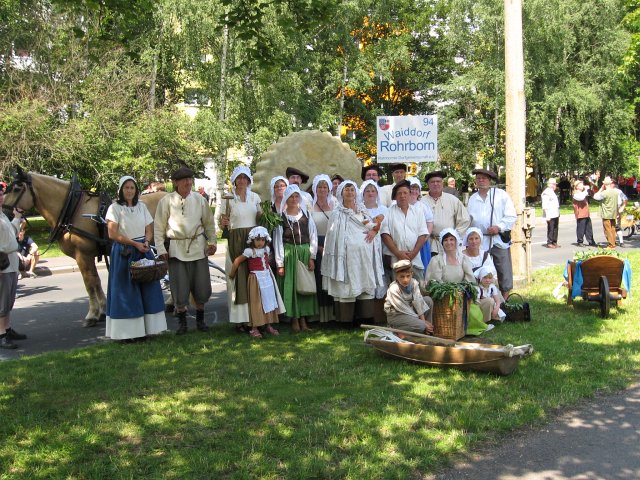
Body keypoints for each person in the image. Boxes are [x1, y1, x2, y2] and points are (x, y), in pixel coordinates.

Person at [154, 166, 217, 335]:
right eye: (184, 180)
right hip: (176, 249)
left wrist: (212, 242)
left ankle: (200, 321)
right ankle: (182, 324)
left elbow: (209, 223)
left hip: (198, 247)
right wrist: (161, 248)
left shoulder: (199, 199)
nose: (188, 182)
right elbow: (158, 227)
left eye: (190, 179)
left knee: (201, 287)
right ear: (175, 182)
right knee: (179, 289)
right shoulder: (166, 201)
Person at [105, 176, 167, 341]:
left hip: (142, 250)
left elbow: (149, 230)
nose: (130, 191)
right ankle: (127, 333)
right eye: (126, 188)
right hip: (124, 252)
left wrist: (146, 241)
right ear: (120, 190)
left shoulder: (142, 207)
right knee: (126, 292)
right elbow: (112, 233)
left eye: (132, 187)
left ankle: (145, 330)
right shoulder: (114, 208)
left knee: (148, 291)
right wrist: (134, 244)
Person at [322, 180, 384, 326]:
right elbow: (333, 238)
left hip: (364, 258)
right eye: (346, 190)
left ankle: (365, 318)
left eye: (352, 189)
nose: (350, 192)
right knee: (347, 285)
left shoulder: (362, 210)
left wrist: (375, 230)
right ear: (341, 193)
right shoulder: (337, 214)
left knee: (364, 284)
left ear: (356, 193)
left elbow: (371, 226)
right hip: (346, 258)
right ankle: (346, 321)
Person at [218, 165, 262, 333]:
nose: (242, 180)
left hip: (252, 240)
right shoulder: (228, 199)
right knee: (237, 277)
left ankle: (254, 316)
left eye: (245, 178)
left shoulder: (255, 197)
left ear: (249, 180)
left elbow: (259, 217)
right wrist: (222, 223)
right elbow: (222, 221)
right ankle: (238, 320)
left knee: (253, 278)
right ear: (235, 180)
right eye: (239, 178)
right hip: (236, 240)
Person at [273, 184, 319, 332]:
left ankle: (304, 320)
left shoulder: (306, 215)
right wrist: (280, 263)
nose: (294, 199)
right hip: (289, 255)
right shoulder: (281, 218)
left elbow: (313, 236)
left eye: (296, 196)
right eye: (291, 196)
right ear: (286, 198)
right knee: (292, 287)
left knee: (304, 286)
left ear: (300, 198)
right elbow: (278, 241)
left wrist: (312, 257)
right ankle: (294, 319)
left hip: (304, 253)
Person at [467, 168, 517, 297]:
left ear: (489, 180)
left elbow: (511, 216)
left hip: (498, 239)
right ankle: (484, 297)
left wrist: (499, 227)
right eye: (478, 178)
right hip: (481, 241)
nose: (481, 180)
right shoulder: (473, 199)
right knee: (482, 269)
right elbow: (469, 220)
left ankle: (505, 300)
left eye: (484, 178)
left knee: (503, 270)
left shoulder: (501, 195)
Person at [229, 226, 284, 338]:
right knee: (256, 303)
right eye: (258, 240)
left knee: (268, 301)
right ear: (252, 240)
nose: (260, 242)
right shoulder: (249, 251)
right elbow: (237, 261)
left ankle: (268, 324)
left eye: (263, 240)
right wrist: (232, 273)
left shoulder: (266, 250)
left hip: (267, 277)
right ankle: (254, 328)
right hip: (255, 279)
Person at [380, 180, 429, 281]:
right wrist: (398, 253)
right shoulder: (388, 212)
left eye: (405, 193)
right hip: (397, 258)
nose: (402, 196)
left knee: (417, 287)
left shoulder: (418, 211)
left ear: (410, 194)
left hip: (415, 257)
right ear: (395, 196)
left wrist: (413, 253)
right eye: (399, 193)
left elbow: (422, 234)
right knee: (398, 288)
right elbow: (385, 235)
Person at [0, 185, 26, 349]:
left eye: (1, 194)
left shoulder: (2, 215)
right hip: (2, 263)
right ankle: (2, 335)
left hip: (11, 262)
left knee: (9, 300)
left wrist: (17, 217)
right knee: (2, 302)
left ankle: (7, 329)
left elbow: (11, 234)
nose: (0, 197)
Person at [422, 170, 470, 256]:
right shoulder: (421, 202)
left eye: (438, 181)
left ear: (442, 183)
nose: (436, 184)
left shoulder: (453, 200)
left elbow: (464, 219)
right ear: (428, 184)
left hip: (449, 244)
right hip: (429, 244)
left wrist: (454, 236)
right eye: (432, 182)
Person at [360, 179, 388, 324]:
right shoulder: (359, 209)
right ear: (363, 194)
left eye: (373, 191)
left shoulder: (384, 210)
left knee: (379, 276)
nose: (370, 193)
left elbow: (386, 227)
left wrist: (375, 231)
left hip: (379, 248)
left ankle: (380, 314)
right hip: (364, 247)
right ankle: (366, 314)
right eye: (368, 191)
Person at [310, 174, 336, 322]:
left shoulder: (335, 204)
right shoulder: (310, 206)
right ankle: (321, 315)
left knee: (332, 279)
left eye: (325, 187)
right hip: (317, 245)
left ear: (329, 189)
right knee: (319, 280)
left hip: (332, 244)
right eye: (319, 187)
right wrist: (318, 248)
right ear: (315, 189)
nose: (322, 189)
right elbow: (309, 230)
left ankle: (333, 314)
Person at [384, 259, 434, 334]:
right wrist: (423, 323)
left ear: (412, 274)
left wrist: (424, 321)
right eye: (402, 277)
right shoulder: (394, 289)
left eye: (408, 276)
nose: (405, 280)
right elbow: (404, 308)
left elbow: (418, 301)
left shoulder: (414, 283)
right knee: (421, 325)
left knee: (428, 300)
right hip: (397, 314)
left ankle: (427, 331)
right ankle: (395, 329)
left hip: (410, 310)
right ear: (396, 276)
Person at [408, 177, 434, 269]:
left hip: (421, 244)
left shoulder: (423, 207)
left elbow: (429, 223)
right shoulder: (399, 205)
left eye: (416, 189)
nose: (414, 191)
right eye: (412, 189)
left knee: (422, 269)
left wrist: (424, 239)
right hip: (406, 244)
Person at [593, 176, 621, 249]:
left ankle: (611, 245)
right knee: (613, 229)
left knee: (607, 230)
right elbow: (618, 203)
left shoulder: (604, 193)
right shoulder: (615, 192)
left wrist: (601, 189)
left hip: (606, 213)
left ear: (604, 184)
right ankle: (613, 243)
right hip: (613, 212)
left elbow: (595, 196)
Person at [572, 180, 597, 247]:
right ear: (577, 187)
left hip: (586, 213)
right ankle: (580, 241)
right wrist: (586, 190)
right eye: (580, 184)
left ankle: (591, 241)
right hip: (580, 213)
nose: (582, 185)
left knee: (589, 228)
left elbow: (592, 195)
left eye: (582, 184)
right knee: (581, 228)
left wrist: (590, 189)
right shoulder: (575, 194)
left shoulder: (583, 192)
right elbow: (581, 197)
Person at [541, 178, 561, 248]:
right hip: (550, 214)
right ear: (551, 185)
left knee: (555, 228)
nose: (555, 186)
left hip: (555, 213)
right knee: (551, 228)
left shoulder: (552, 192)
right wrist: (547, 215)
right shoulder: (546, 192)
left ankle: (554, 241)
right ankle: (549, 242)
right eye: (554, 184)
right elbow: (545, 205)